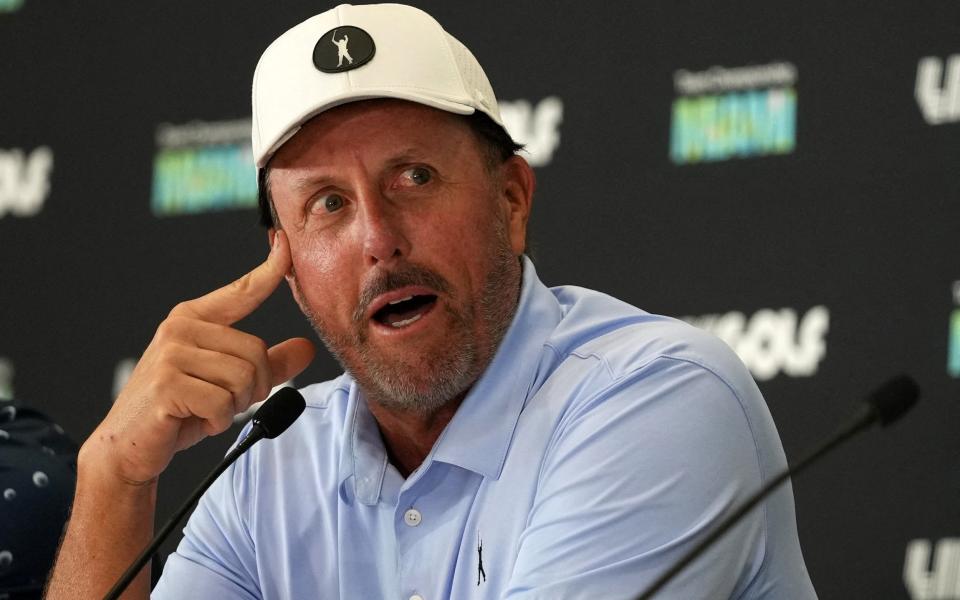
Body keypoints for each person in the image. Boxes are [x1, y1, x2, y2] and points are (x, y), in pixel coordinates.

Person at [46, 4, 817, 599]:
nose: (379, 239)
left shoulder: (655, 395)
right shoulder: (267, 470)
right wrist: (113, 475)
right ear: (289, 271)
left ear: (512, 198)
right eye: (326, 205)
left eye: (413, 176)